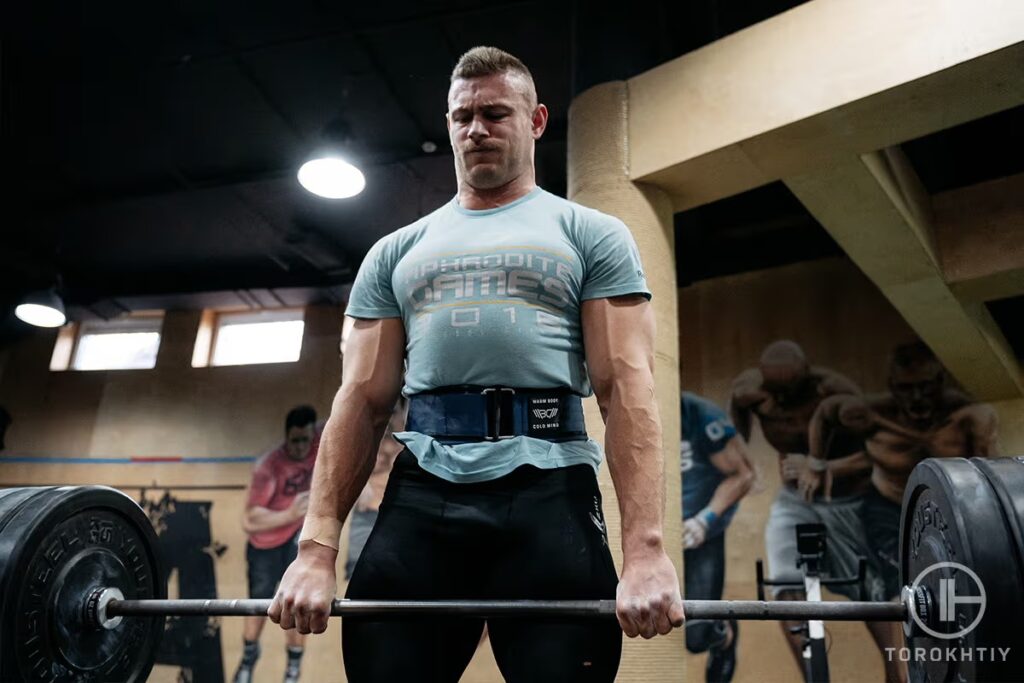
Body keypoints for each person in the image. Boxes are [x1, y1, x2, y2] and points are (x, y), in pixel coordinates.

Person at [268, 46, 684, 682]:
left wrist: (646, 551)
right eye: (462, 116)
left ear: (537, 120)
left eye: (495, 113)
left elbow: (625, 388)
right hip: (424, 493)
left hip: (551, 493)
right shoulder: (394, 252)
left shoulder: (590, 233)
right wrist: (316, 551)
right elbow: (360, 401)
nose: (475, 129)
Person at [729, 340, 901, 678]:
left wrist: (822, 466)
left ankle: (897, 674)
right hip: (796, 501)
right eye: (774, 391)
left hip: (849, 501)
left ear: (807, 379)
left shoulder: (834, 392)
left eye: (788, 391)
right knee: (784, 582)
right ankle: (813, 676)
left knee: (874, 592)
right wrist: (743, 457)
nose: (780, 401)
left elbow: (878, 454)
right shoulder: (751, 391)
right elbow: (738, 422)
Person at [807, 341, 999, 600]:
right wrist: (816, 465)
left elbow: (989, 476)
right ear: (892, 386)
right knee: (906, 586)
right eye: (906, 388)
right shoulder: (873, 412)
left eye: (925, 386)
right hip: (889, 509)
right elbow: (826, 412)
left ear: (940, 381)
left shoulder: (969, 416)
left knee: (958, 587)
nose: (917, 397)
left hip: (952, 512)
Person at [233, 405, 321, 683]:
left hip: (295, 540)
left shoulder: (320, 443)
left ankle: (293, 668)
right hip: (265, 543)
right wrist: (290, 514)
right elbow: (249, 521)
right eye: (294, 440)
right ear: (286, 438)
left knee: (296, 604)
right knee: (259, 603)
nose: (299, 447)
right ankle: (248, 658)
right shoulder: (268, 467)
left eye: (304, 440)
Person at [680, 392, 754, 683]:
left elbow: (743, 474)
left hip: (699, 535)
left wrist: (705, 519)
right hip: (654, 537)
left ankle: (726, 630)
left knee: (696, 636)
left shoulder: (700, 415)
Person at [344, 398, 406, 580]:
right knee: (358, 573)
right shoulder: (365, 440)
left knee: (396, 574)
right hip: (367, 515)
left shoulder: (412, 441)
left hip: (397, 516)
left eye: (394, 413)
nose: (389, 418)